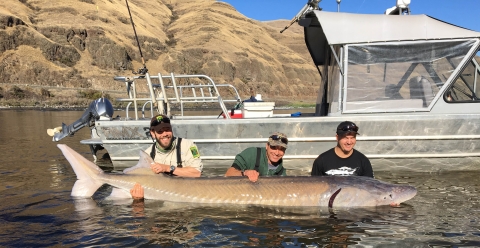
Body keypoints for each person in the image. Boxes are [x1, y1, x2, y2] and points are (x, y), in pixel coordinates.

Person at [130, 114, 203, 199]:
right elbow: (141, 180)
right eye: (160, 131)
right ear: (153, 133)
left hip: (186, 193)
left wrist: (167, 168)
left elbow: (196, 173)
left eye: (167, 129)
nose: (165, 134)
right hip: (162, 195)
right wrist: (137, 198)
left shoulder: (189, 145)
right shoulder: (148, 154)